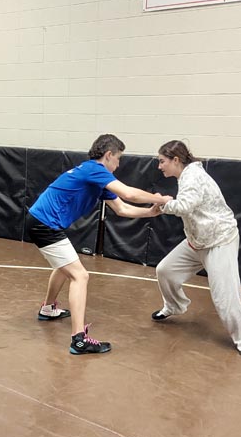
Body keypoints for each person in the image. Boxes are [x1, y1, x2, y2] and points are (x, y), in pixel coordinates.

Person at [27, 134, 171, 355]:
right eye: (118, 159)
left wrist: (150, 213)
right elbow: (129, 193)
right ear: (109, 155)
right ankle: (79, 340)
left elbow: (122, 208)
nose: (118, 165)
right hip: (44, 224)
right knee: (80, 276)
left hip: (43, 222)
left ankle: (47, 308)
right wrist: (160, 199)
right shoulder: (94, 169)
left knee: (65, 267)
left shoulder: (96, 178)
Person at [152, 140, 241, 357]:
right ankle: (175, 306)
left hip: (219, 241)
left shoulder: (193, 176)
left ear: (175, 160)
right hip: (197, 241)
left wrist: (161, 202)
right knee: (165, 271)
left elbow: (184, 206)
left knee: (224, 297)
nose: (159, 166)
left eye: (162, 161)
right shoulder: (185, 175)